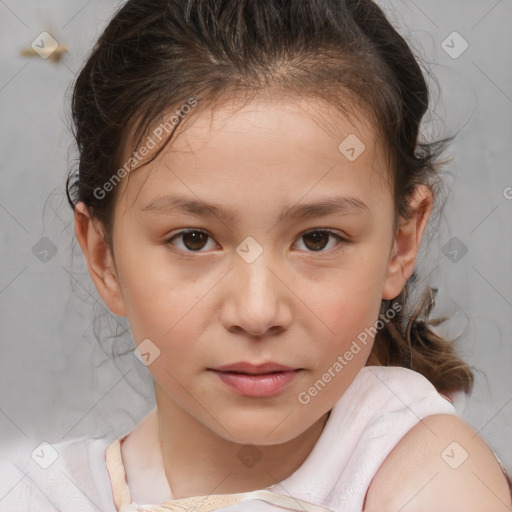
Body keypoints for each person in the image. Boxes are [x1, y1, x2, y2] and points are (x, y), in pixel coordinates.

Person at [1, 0, 511, 510]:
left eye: (317, 239)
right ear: (103, 256)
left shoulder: (434, 474)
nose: (257, 311)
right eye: (193, 240)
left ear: (400, 244)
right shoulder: (39, 493)